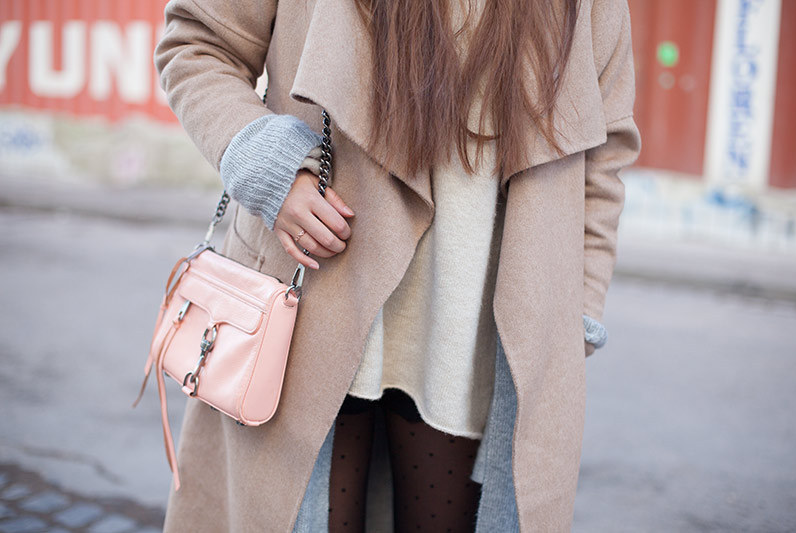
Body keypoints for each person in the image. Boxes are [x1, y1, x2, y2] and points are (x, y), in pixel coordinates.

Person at [153, 0, 641, 531]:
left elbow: (606, 148)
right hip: (310, 303)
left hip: (479, 332)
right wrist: (267, 163)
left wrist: (577, 308)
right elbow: (198, 44)